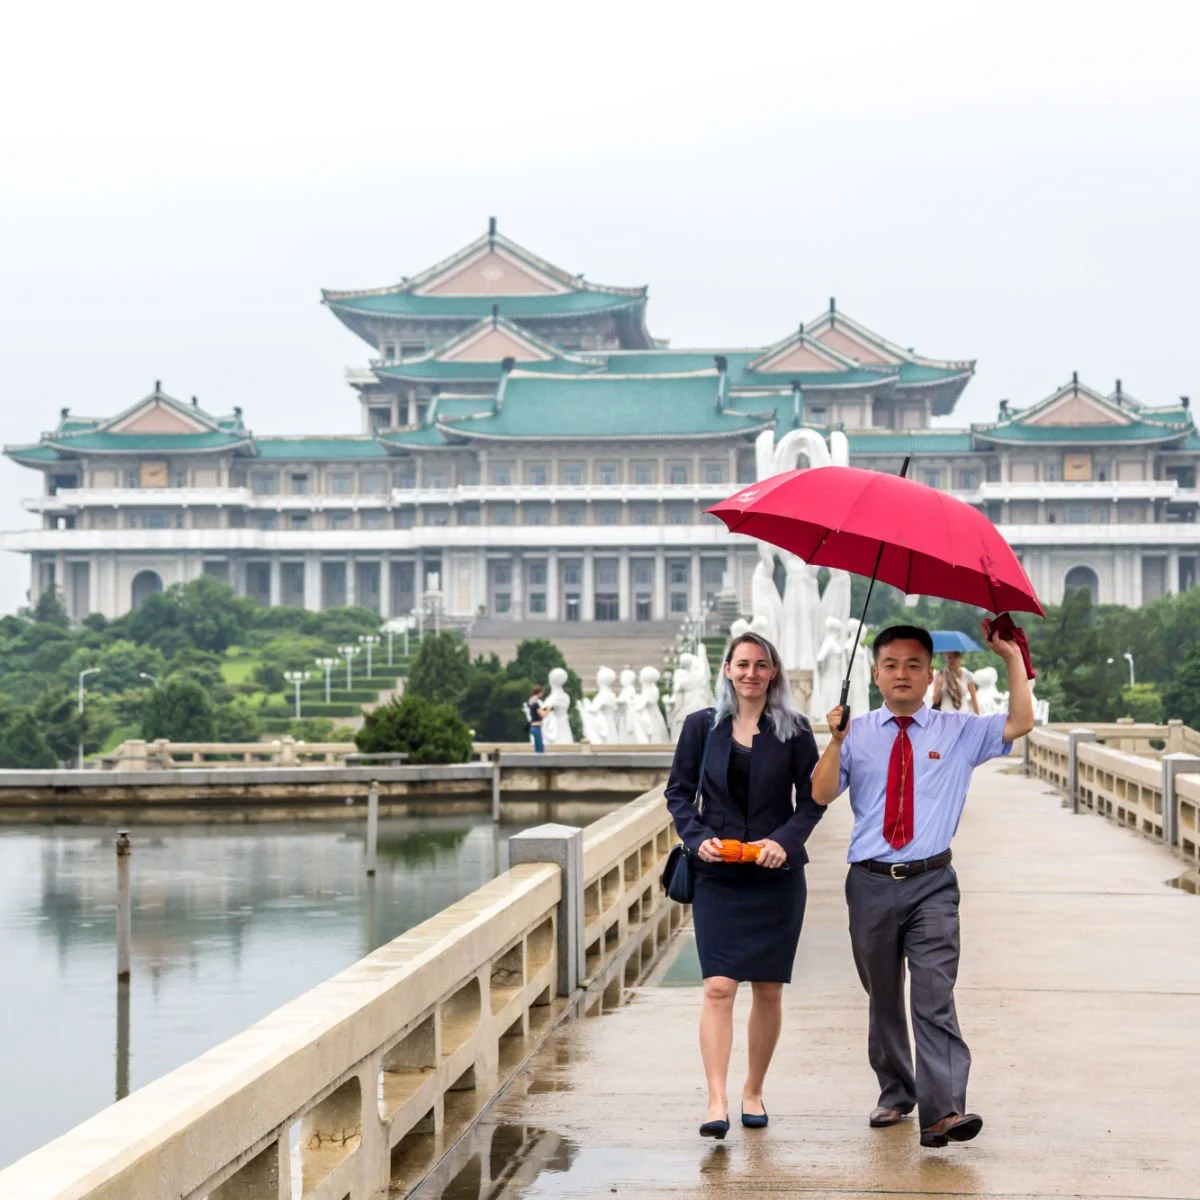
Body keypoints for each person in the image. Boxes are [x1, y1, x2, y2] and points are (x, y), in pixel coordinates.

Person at [811, 623, 1033, 1148]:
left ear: (930, 673)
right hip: (869, 882)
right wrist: (834, 741)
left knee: (933, 995)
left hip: (932, 882)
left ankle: (944, 1111)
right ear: (875, 673)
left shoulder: (958, 730)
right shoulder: (857, 731)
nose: (902, 674)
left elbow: (1021, 721)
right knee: (884, 996)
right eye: (891, 664)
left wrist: (1011, 658)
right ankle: (897, 1091)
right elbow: (820, 795)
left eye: (914, 665)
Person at [665, 632, 825, 1140]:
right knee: (718, 987)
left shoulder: (796, 730)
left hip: (776, 875)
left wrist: (783, 840)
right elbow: (678, 794)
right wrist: (698, 839)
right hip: (719, 873)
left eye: (761, 665)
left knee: (769, 990)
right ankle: (715, 1100)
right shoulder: (700, 727)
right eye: (742, 664)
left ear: (773, 672)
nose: (751, 673)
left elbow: (814, 799)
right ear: (727, 670)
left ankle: (752, 1089)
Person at [525, 685, 549, 753]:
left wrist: (545, 709)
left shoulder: (531, 701)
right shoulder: (536, 703)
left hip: (533, 727)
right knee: (540, 750)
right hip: (537, 727)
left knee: (537, 749)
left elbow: (536, 712)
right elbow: (542, 714)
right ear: (539, 692)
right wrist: (548, 709)